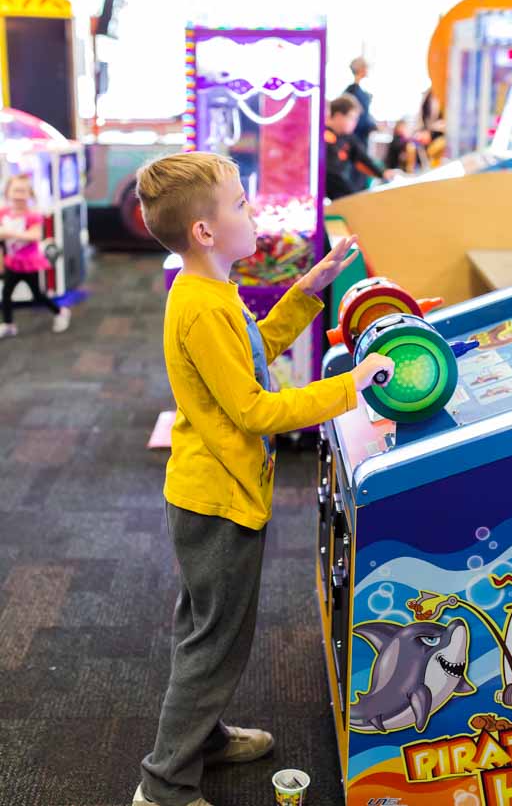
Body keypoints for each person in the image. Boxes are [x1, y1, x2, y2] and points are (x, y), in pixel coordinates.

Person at [133, 151, 394, 806]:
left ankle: (204, 737)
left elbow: (257, 353)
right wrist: (349, 388)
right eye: (241, 203)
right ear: (205, 231)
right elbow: (255, 409)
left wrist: (309, 288)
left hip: (218, 490)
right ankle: (163, 786)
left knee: (211, 634)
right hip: (214, 498)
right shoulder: (198, 306)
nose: (253, 212)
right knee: (213, 642)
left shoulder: (213, 293)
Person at [0, 173, 71, 338]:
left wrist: (7, 232)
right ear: (8, 192)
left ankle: (61, 311)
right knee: (6, 294)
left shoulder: (33, 216)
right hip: (11, 263)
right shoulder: (3, 213)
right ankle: (9, 324)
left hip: (28, 264)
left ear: (29, 194)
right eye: (15, 191)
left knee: (37, 295)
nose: (19, 195)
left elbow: (35, 236)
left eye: (23, 191)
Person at [325, 94, 392, 200]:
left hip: (345, 193)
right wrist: (350, 195)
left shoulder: (349, 138)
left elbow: (362, 158)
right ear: (338, 116)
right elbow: (332, 174)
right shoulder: (322, 137)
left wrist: (382, 173)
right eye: (352, 118)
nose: (355, 123)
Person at [344, 56, 377, 148]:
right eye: (366, 68)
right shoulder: (353, 91)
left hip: (362, 136)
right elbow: (359, 116)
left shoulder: (361, 91)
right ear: (361, 69)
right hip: (356, 136)